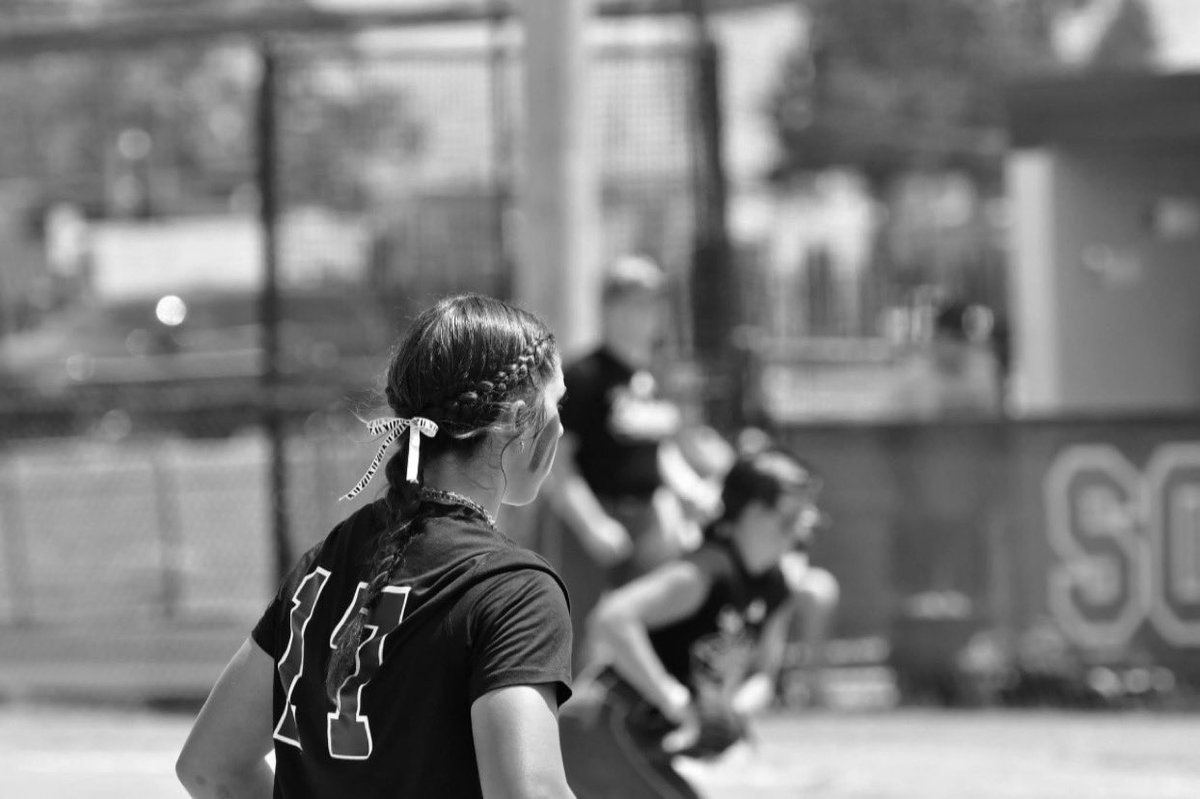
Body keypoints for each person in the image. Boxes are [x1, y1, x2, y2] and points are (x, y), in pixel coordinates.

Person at [176, 294, 577, 799]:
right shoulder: (511, 590)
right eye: (556, 403)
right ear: (519, 421)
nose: (560, 424)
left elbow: (212, 769)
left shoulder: (327, 561)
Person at [558, 445, 826, 798]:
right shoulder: (708, 571)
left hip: (640, 738)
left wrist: (728, 712)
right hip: (601, 726)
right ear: (753, 510)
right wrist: (674, 699)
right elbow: (614, 617)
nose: (806, 518)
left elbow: (763, 675)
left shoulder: (776, 588)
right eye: (791, 507)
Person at [546, 255, 719, 672]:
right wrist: (591, 524)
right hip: (593, 518)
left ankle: (637, 727)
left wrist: (690, 491)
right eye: (638, 303)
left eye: (655, 303)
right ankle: (558, 725)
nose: (651, 314)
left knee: (651, 628)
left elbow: (661, 451)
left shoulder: (656, 378)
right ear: (611, 308)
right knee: (573, 631)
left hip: (648, 521)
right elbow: (557, 461)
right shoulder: (583, 376)